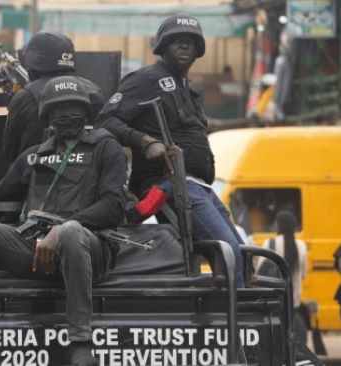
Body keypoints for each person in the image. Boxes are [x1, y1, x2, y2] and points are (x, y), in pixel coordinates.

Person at [0, 76, 127, 366]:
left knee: (72, 231)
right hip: (36, 249)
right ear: (47, 116)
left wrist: (62, 229)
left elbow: (113, 206)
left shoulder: (106, 147)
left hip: (89, 249)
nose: (66, 115)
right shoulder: (34, 156)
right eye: (58, 109)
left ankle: (80, 342)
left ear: (86, 112)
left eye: (74, 108)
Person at [95, 14, 246, 287]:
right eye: (177, 41)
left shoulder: (189, 89)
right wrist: (144, 141)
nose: (184, 46)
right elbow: (105, 121)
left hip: (198, 186)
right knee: (229, 253)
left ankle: (236, 313)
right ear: (162, 46)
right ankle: (238, 321)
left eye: (190, 42)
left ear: (199, 50)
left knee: (241, 254)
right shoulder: (145, 79)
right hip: (169, 183)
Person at [1, 32, 104, 162]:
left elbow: (9, 152)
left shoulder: (26, 96)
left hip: (37, 178)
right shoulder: (94, 90)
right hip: (89, 178)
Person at [257, 210, 308, 343]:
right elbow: (303, 275)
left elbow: (259, 273)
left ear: (278, 225)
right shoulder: (301, 246)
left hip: (273, 304)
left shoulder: (270, 243)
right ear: (294, 226)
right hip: (293, 305)